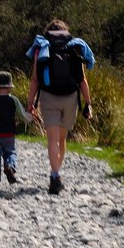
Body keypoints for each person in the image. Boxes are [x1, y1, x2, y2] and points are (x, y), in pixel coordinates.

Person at [26, 19, 94, 195]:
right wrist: (88, 103)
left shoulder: (42, 48)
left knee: (52, 139)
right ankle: (55, 174)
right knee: (62, 140)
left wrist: (30, 103)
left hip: (48, 97)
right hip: (70, 98)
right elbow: (82, 80)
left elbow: (35, 80)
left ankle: (56, 176)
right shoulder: (73, 47)